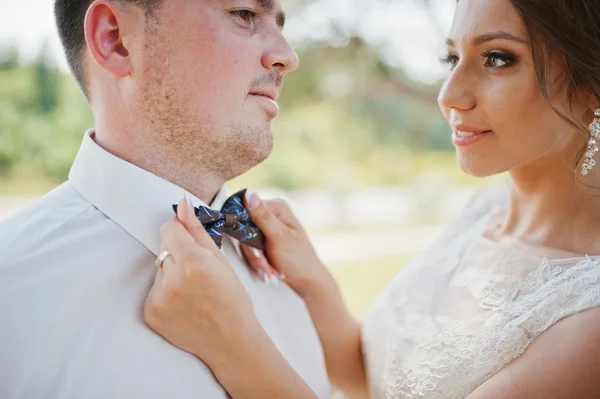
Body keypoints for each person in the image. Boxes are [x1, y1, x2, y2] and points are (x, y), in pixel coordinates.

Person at [149, 0, 600, 398]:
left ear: (590, 89)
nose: (449, 96)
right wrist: (312, 281)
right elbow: (376, 381)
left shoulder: (589, 324)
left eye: (497, 59)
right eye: (452, 57)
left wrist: (232, 344)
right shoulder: (481, 214)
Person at [0, 1, 332, 398]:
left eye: (279, 24)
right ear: (116, 40)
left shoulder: (285, 267)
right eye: (243, 14)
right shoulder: (11, 295)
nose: (288, 57)